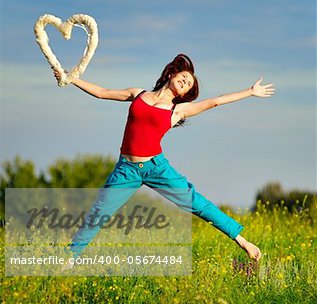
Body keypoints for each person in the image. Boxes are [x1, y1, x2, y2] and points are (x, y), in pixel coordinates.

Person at [53, 54, 275, 267]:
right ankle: (68, 259)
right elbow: (102, 92)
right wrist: (71, 78)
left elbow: (215, 102)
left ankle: (242, 240)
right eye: (184, 76)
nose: (185, 80)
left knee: (196, 203)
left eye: (188, 83)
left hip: (155, 168)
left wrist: (250, 91)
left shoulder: (178, 111)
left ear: (185, 93)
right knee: (99, 212)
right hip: (126, 170)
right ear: (172, 74)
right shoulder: (137, 94)